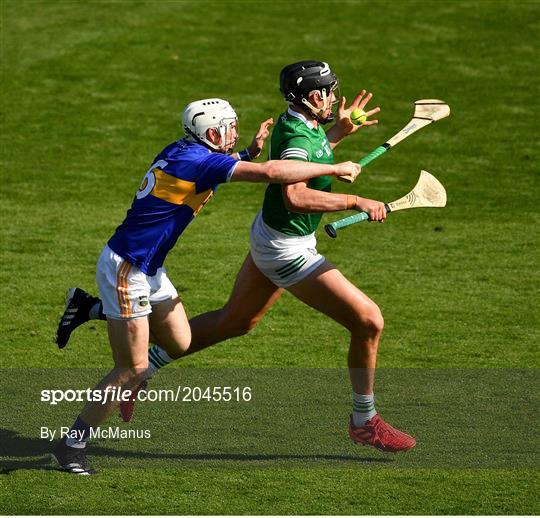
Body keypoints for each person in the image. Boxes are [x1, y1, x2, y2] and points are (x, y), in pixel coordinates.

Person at [57, 60, 416, 455]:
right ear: (211, 133)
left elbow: (263, 165)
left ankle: (93, 310)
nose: (234, 132)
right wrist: (352, 193)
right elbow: (282, 183)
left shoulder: (189, 152)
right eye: (227, 128)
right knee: (132, 368)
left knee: (201, 334)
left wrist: (324, 138)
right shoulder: (202, 160)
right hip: (133, 268)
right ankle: (71, 444)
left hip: (153, 268)